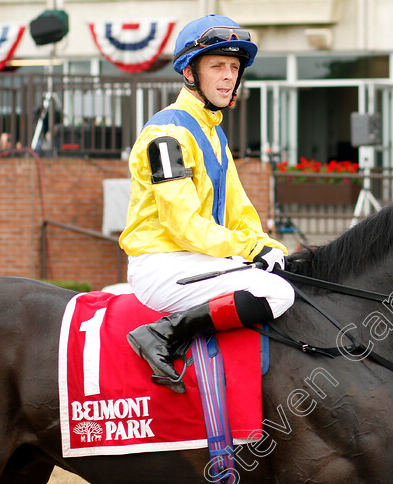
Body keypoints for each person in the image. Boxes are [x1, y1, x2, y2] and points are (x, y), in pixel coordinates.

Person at [119, 14, 294, 393]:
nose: (228, 76)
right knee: (277, 293)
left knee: (285, 274)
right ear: (189, 73)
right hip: (161, 264)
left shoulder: (213, 133)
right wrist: (250, 248)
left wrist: (268, 245)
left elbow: (239, 211)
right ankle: (160, 334)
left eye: (234, 67)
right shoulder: (166, 134)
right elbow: (183, 224)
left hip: (197, 258)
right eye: (217, 66)